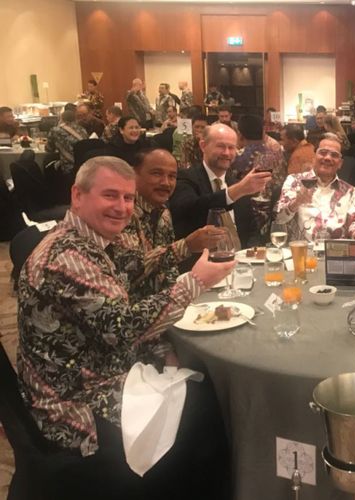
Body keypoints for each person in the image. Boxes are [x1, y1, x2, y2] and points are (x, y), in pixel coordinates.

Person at [16, 155, 234, 499]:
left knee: (188, 377)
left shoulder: (89, 241)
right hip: (73, 403)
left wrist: (163, 347)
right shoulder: (67, 257)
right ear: (77, 195)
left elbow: (133, 266)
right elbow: (122, 328)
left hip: (94, 371)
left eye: (128, 198)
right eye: (110, 195)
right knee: (209, 406)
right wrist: (195, 282)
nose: (122, 207)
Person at [122, 148, 224, 301]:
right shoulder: (122, 213)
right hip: (135, 311)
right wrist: (186, 246)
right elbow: (131, 270)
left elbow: (169, 270)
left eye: (172, 176)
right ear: (134, 173)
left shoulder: (163, 211)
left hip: (166, 304)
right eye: (157, 173)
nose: (166, 183)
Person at [171, 123, 272, 249]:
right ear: (203, 146)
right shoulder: (185, 178)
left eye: (231, 147)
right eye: (221, 146)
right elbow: (191, 209)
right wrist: (236, 191)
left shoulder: (236, 183)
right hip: (202, 262)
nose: (227, 153)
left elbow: (252, 230)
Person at [275, 133, 355, 242]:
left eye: (334, 155)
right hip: (302, 252)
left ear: (340, 163)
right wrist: (297, 202)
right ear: (314, 158)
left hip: (336, 252)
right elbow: (279, 219)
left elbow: (354, 223)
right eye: (323, 153)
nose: (328, 158)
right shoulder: (294, 182)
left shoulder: (350, 191)